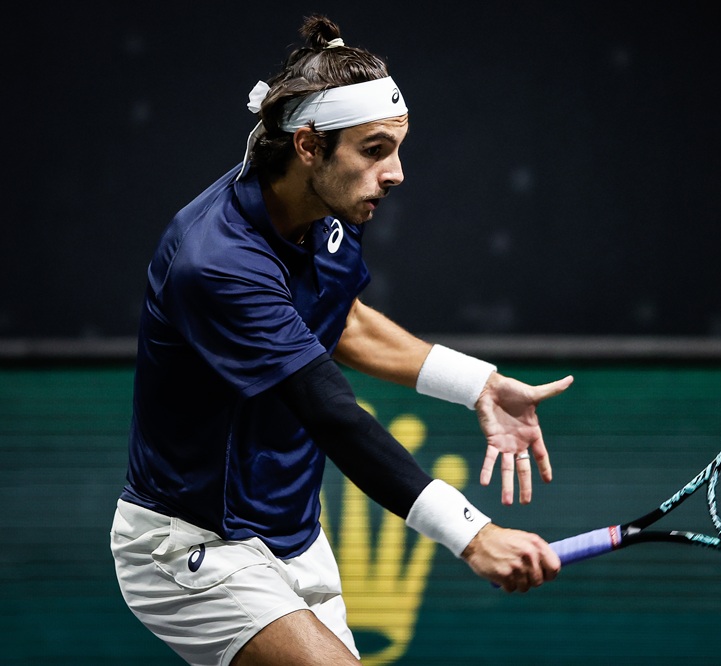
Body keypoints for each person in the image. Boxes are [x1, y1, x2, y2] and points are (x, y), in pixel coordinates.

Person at [110, 14, 573, 666]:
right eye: (375, 150)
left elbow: (343, 320)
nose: (397, 174)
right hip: (196, 543)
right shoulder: (216, 263)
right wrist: (472, 534)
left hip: (295, 536)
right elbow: (329, 411)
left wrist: (477, 385)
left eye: (399, 149)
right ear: (307, 146)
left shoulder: (331, 206)